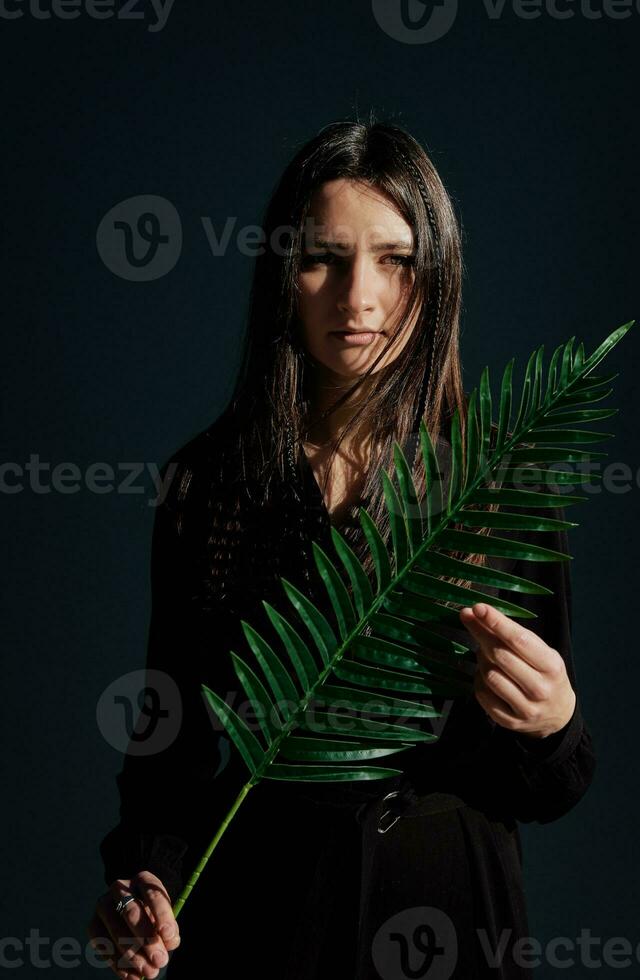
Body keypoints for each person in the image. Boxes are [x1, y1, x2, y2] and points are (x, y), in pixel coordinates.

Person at [87, 119, 596, 979]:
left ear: (435, 278)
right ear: (283, 274)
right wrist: (145, 885)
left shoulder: (493, 488)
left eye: (395, 260)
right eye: (324, 256)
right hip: (268, 924)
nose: (358, 298)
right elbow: (166, 757)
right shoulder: (207, 487)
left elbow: (547, 787)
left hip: (451, 921)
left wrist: (555, 725)